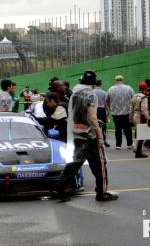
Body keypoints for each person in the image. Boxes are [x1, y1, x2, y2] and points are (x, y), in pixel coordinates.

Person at [55, 70, 118, 202]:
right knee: (100, 165)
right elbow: (92, 116)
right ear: (93, 83)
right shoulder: (90, 95)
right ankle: (102, 192)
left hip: (77, 132)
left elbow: (77, 114)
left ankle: (60, 186)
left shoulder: (75, 94)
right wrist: (100, 136)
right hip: (90, 135)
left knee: (76, 162)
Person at [107, 75, 135, 150]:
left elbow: (107, 100)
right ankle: (129, 144)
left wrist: (110, 109)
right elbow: (133, 98)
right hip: (127, 112)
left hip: (115, 113)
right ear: (122, 80)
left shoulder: (111, 89)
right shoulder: (129, 88)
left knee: (118, 129)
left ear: (116, 80)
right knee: (128, 129)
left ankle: (118, 145)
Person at [130, 82, 150, 158]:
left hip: (135, 116)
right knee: (141, 134)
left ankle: (137, 149)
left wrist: (130, 119)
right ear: (144, 89)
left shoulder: (134, 96)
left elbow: (131, 109)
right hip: (140, 116)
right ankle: (138, 152)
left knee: (139, 133)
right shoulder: (144, 97)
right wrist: (148, 118)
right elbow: (144, 109)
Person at [93, 79, 110, 147]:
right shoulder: (104, 92)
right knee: (103, 126)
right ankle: (104, 140)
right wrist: (108, 111)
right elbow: (105, 103)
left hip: (94, 110)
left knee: (94, 125)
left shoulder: (92, 92)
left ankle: (95, 139)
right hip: (102, 110)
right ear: (101, 84)